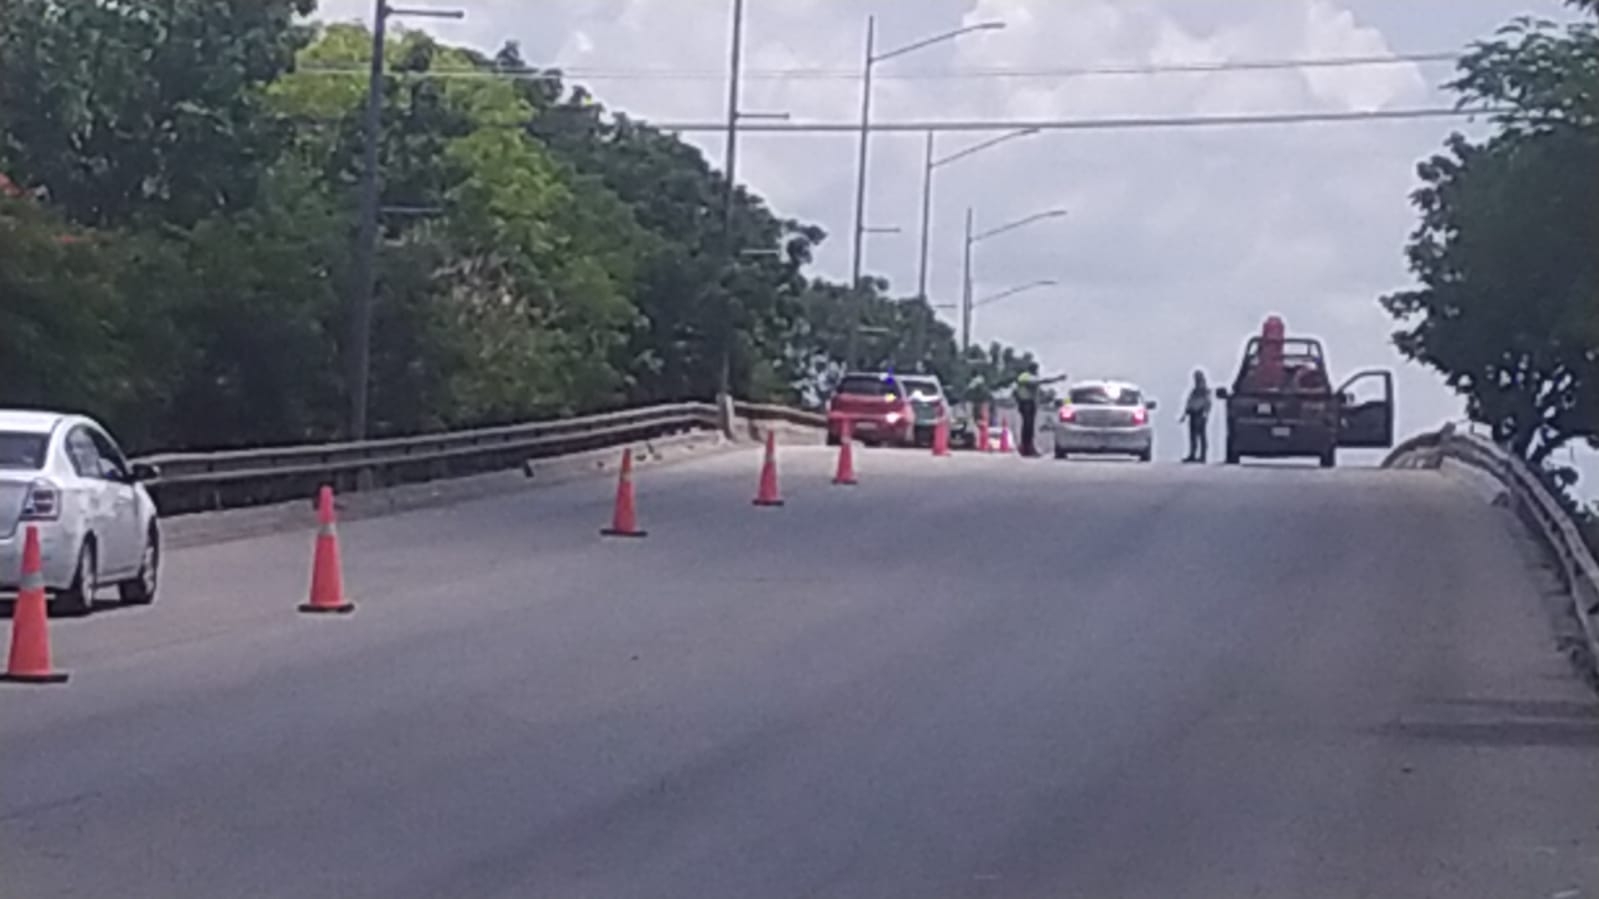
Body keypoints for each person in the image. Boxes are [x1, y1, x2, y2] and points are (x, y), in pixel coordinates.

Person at [1012, 363, 1067, 458]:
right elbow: (1039, 381)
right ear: (1032, 369)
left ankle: (1028, 447)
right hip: (1026, 403)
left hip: (1030, 403)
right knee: (1027, 426)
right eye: (1036, 369)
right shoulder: (1024, 376)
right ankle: (1026, 447)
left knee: (1029, 427)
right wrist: (1056, 379)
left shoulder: (1030, 377)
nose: (1037, 371)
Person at [1180, 369, 1212, 463]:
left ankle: (1203, 456)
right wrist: (1185, 414)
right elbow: (1189, 402)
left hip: (1200, 414)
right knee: (1193, 436)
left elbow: (1208, 402)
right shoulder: (1194, 391)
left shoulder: (1205, 391)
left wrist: (1205, 413)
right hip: (1193, 413)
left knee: (1201, 435)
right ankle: (1192, 454)